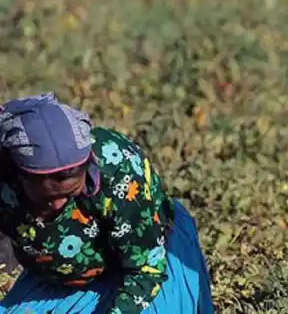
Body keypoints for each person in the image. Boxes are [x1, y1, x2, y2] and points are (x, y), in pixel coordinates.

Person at [0, 92, 214, 313]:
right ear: (19, 175)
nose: (58, 205)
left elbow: (145, 270)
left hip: (144, 269)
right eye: (47, 197)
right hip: (55, 279)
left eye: (71, 193)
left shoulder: (120, 173)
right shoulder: (4, 180)